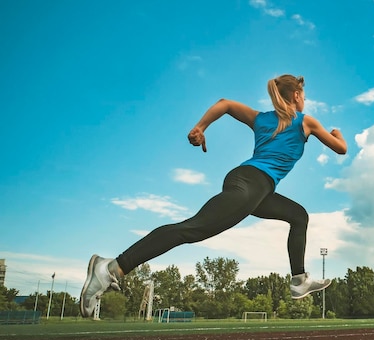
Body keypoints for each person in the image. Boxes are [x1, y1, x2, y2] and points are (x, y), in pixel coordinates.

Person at [79, 74, 347, 318]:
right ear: (297, 95)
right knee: (191, 230)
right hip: (251, 185)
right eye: (304, 95)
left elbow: (225, 104)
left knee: (298, 216)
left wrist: (201, 127)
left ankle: (299, 280)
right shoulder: (305, 121)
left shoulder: (260, 118)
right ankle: (112, 268)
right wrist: (338, 134)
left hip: (253, 187)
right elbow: (341, 149)